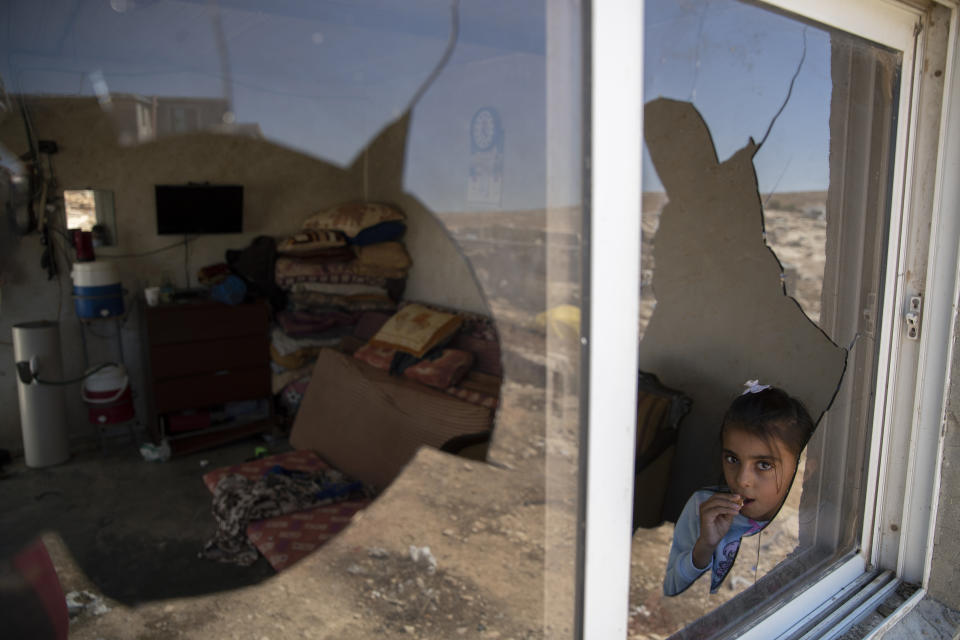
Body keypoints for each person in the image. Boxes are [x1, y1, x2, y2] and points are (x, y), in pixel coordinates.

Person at [663, 381, 814, 596]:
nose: (742, 480)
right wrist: (704, 546)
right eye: (732, 459)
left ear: (804, 469)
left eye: (764, 465)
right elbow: (670, 593)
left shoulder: (810, 525)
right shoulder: (703, 508)